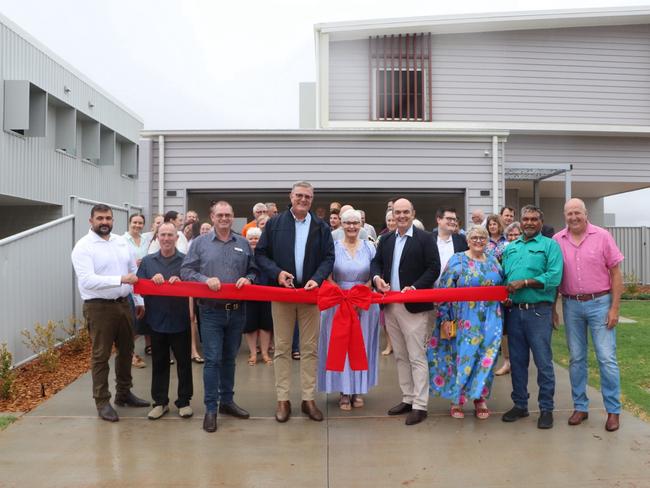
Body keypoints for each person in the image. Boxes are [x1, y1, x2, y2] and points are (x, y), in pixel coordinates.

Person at [255, 181, 335, 423]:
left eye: (307, 197)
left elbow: (329, 257)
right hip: (283, 295)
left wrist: (317, 278)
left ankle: (308, 399)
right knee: (282, 348)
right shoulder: (275, 224)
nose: (303, 200)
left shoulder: (320, 227)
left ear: (312, 200)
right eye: (299, 195)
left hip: (310, 295)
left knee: (310, 350)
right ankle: (283, 399)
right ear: (290, 196)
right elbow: (260, 254)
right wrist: (277, 273)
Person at [181, 200, 257, 433]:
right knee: (212, 360)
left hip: (237, 311)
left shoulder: (243, 243)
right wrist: (204, 280)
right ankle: (211, 408)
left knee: (229, 359)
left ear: (233, 217)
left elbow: (254, 269)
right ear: (212, 217)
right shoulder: (200, 243)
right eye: (220, 215)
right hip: (211, 311)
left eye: (228, 215)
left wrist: (250, 279)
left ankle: (227, 402)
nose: (224, 219)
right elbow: (186, 270)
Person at [71, 204, 150, 422]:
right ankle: (102, 401)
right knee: (101, 355)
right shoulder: (83, 247)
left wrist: (138, 298)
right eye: (100, 218)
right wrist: (120, 280)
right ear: (91, 221)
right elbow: (87, 280)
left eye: (108, 218)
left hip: (125, 303)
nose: (104, 222)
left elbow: (133, 272)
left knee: (127, 350)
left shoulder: (120, 242)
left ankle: (124, 394)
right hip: (99, 308)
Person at [553, 198, 624, 432]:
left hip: (600, 304)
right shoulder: (557, 240)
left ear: (585, 214)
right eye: (569, 213)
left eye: (577, 213)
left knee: (606, 358)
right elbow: (554, 277)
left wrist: (614, 309)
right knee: (576, 358)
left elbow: (615, 274)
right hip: (571, 306)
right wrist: (554, 308)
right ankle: (580, 407)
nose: (573, 217)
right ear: (565, 216)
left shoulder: (602, 236)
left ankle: (613, 411)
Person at [370, 198, 440, 426]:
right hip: (390, 305)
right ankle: (408, 398)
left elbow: (433, 267)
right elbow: (376, 263)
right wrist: (377, 278)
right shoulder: (387, 239)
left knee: (416, 356)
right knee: (400, 355)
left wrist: (416, 287)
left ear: (413, 213)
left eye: (405, 212)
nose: (401, 216)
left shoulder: (425, 238)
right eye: (397, 212)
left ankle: (420, 405)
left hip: (415, 307)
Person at [427, 225, 504, 419]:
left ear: (487, 241)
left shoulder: (494, 261)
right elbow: (444, 290)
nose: (478, 241)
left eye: (482, 238)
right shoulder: (458, 260)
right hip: (463, 319)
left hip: (491, 317)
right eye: (475, 238)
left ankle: (479, 398)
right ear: (468, 240)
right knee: (464, 358)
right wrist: (445, 318)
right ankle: (457, 400)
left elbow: (502, 286)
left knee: (487, 358)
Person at [501, 205, 563, 429]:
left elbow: (554, 277)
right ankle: (520, 404)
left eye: (534, 219)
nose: (528, 222)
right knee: (517, 362)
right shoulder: (511, 248)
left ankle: (546, 408)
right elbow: (504, 276)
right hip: (515, 311)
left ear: (540, 222)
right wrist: (504, 294)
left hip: (538, 311)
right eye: (525, 218)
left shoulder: (550, 245)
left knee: (543, 362)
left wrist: (525, 282)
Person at [317, 210, 380, 410]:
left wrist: (361, 295)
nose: (352, 226)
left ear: (361, 224)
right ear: (341, 225)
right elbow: (326, 274)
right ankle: (344, 391)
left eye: (355, 223)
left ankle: (358, 390)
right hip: (338, 302)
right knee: (340, 346)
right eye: (348, 223)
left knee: (361, 345)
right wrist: (343, 297)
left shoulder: (370, 247)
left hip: (364, 303)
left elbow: (377, 272)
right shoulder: (333, 248)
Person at [137, 223, 194, 420]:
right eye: (163, 235)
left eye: (170, 235)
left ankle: (184, 402)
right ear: (157, 238)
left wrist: (182, 282)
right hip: (156, 320)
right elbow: (140, 288)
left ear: (176, 238)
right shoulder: (147, 262)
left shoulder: (186, 261)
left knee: (184, 363)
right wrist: (152, 280)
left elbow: (194, 285)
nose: (167, 238)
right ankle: (160, 402)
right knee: (159, 363)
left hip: (180, 320)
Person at [494, 221, 523, 377]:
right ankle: (507, 362)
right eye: (510, 235)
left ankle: (518, 362)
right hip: (503, 293)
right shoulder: (501, 250)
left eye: (516, 234)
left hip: (522, 296)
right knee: (505, 331)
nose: (513, 237)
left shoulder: (525, 249)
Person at [123, 213, 152, 369]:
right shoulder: (121, 241)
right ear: (129, 223)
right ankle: (131, 354)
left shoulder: (146, 240)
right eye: (135, 222)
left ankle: (144, 347)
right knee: (131, 322)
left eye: (140, 223)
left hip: (144, 282)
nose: (137, 225)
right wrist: (134, 262)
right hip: (129, 282)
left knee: (142, 318)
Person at [242, 227, 273, 366]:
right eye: (251, 238)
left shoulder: (267, 254)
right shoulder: (243, 254)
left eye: (256, 238)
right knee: (251, 325)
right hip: (249, 294)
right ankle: (253, 353)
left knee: (266, 325)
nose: (254, 241)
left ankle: (265, 353)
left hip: (266, 293)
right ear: (247, 240)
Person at [377, 210, 397, 356]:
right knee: (385, 317)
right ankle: (389, 344)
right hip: (384, 281)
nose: (391, 223)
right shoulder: (382, 238)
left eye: (393, 220)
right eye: (388, 220)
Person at [431, 208, 468, 284]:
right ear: (439, 220)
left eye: (454, 219)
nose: (453, 222)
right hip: (430, 290)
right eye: (449, 219)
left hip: (455, 291)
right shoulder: (428, 239)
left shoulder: (463, 241)